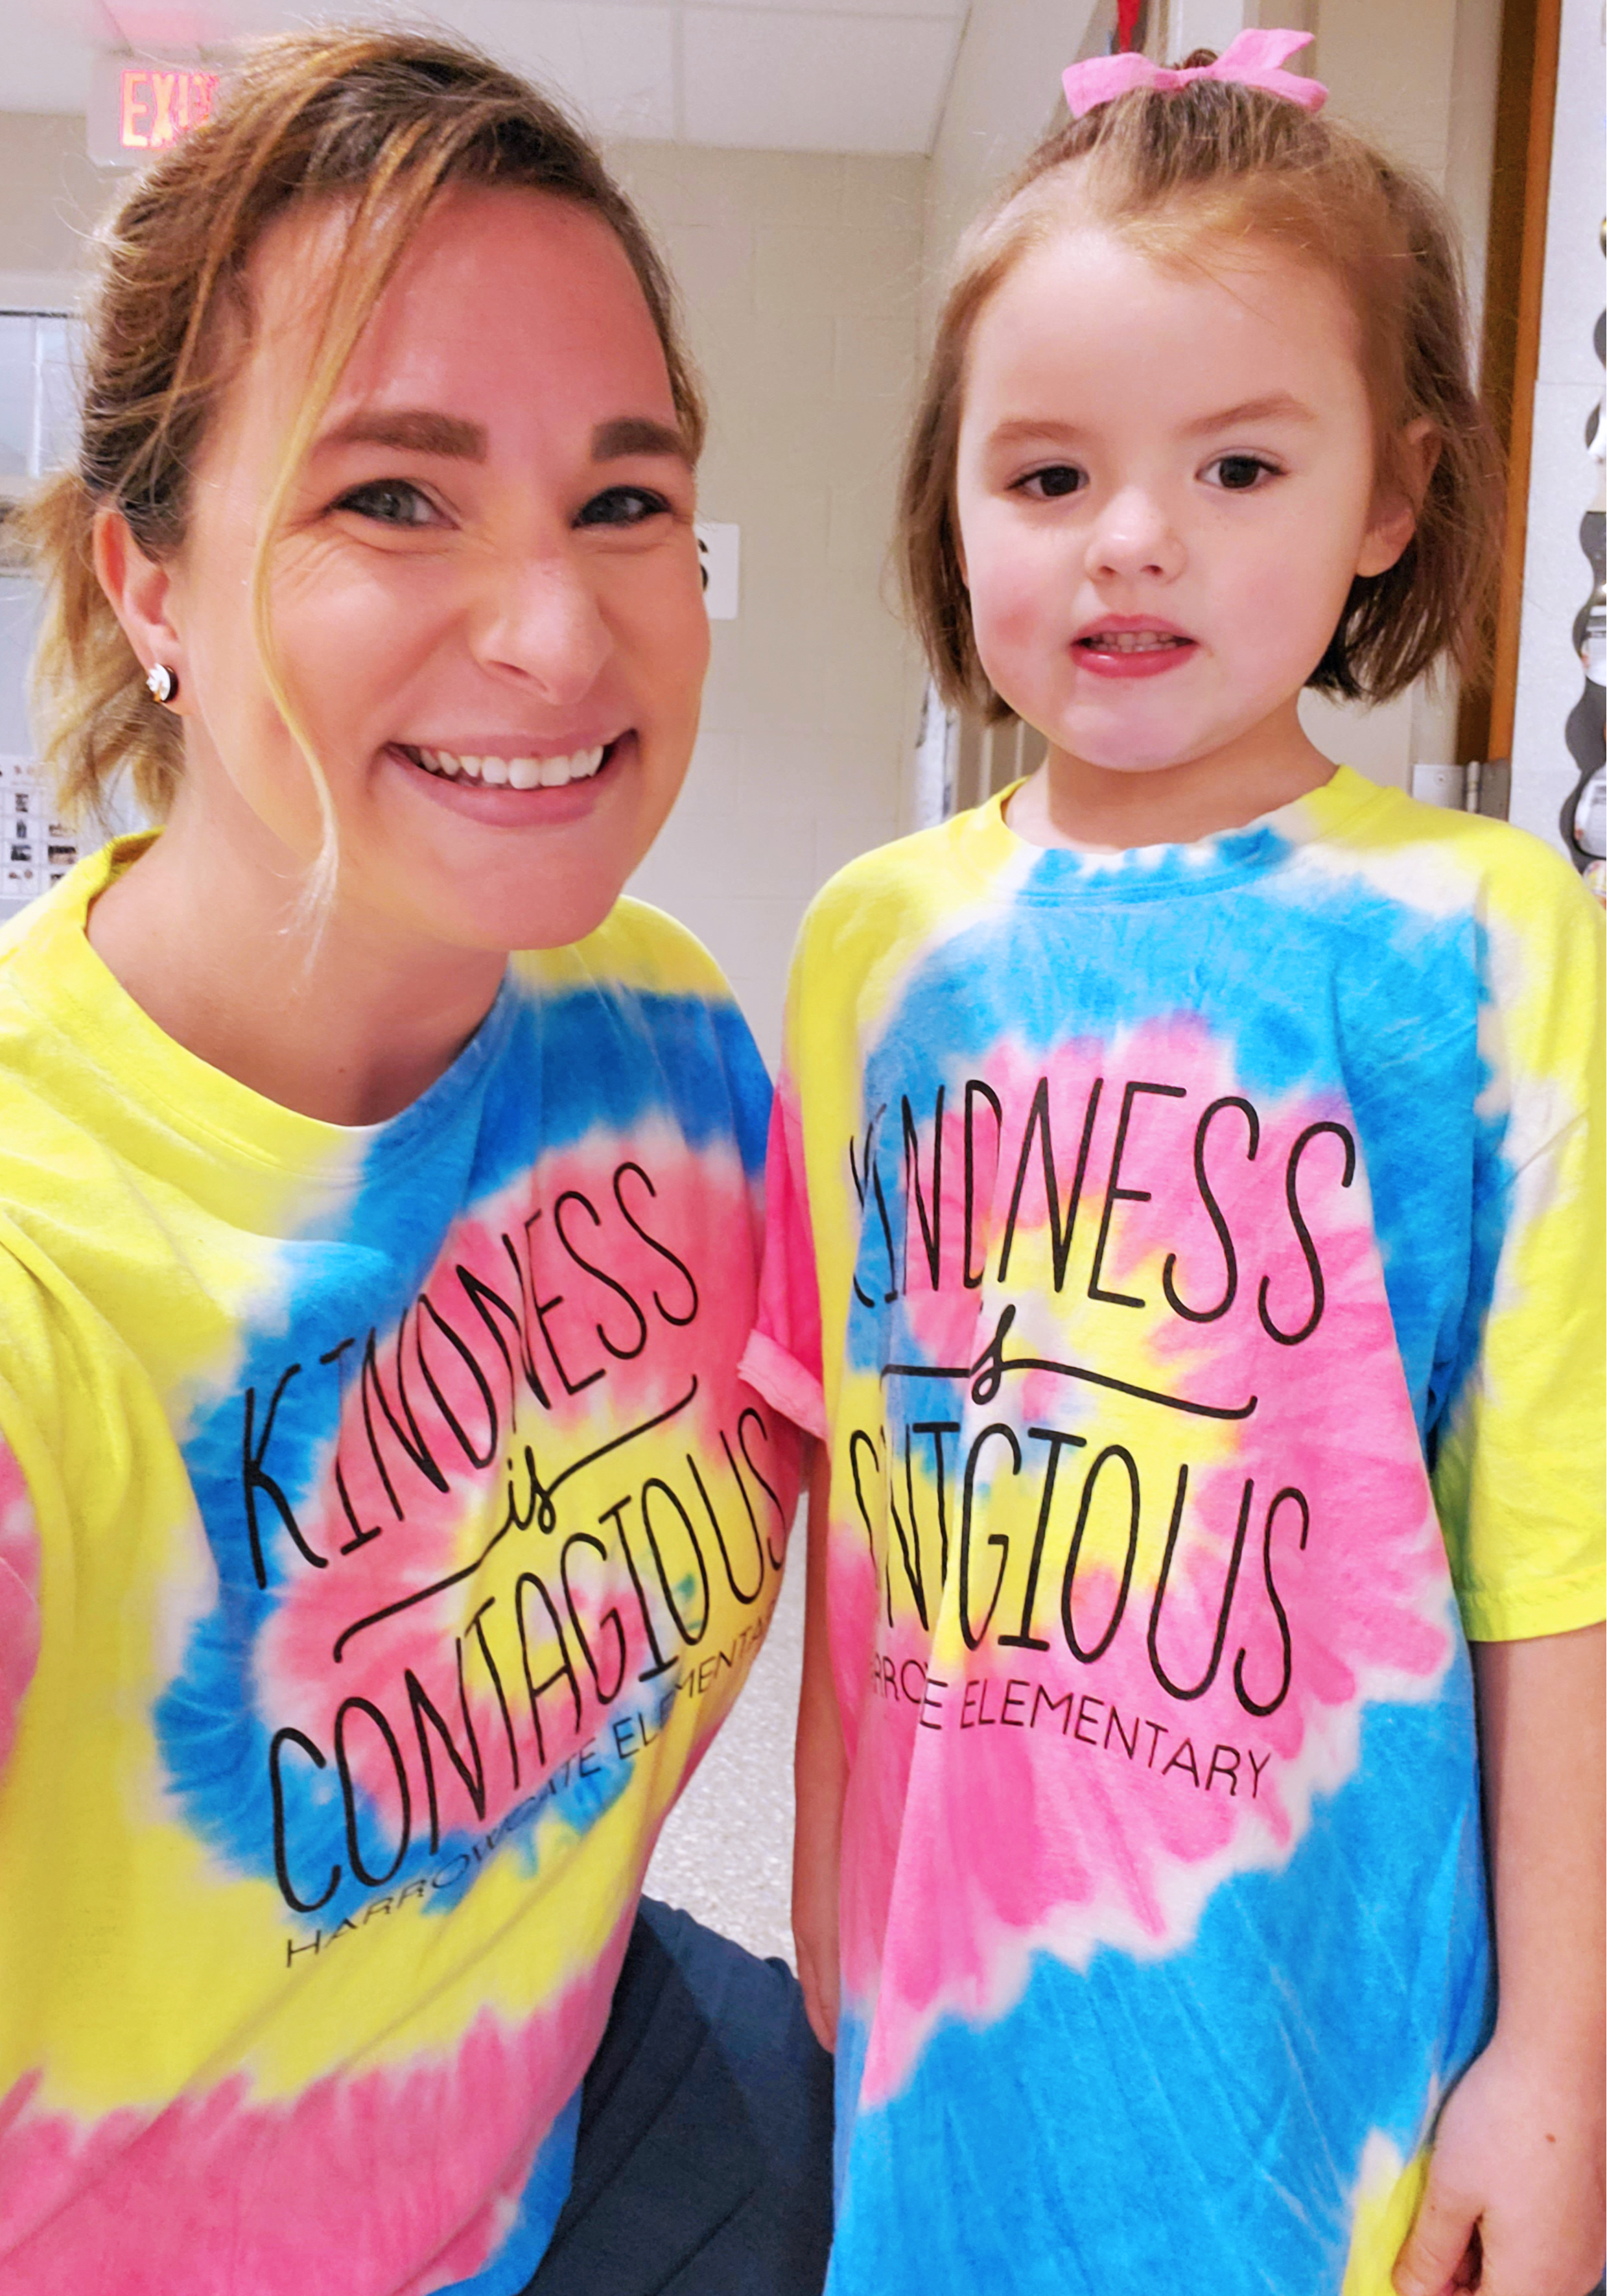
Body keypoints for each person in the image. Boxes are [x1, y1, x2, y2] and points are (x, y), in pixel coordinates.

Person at [741, 31, 1606, 2296]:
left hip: (1317, 2017)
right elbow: (857, 1469)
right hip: (955, 2015)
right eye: (1047, 476)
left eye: (1236, 465)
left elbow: (1547, 1543)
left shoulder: (1477, 939)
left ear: (1394, 498)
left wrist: (1557, 2063)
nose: (1131, 539)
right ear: (952, 500)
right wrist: (827, 1873)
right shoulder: (875, 939)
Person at [0, 30, 832, 2295]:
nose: (557, 630)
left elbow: (760, 1472)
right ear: (147, 581)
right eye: (394, 495)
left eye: (624, 499)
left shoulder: (658, 1028)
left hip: (589, 2116)